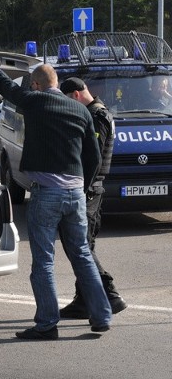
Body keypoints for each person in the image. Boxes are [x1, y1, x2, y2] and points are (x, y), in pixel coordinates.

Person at [0, 41, 111, 340]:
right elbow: (94, 158)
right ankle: (100, 317)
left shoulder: (35, 101)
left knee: (44, 260)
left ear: (36, 85)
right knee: (82, 255)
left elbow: (6, 87)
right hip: (75, 195)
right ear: (57, 83)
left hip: (46, 193)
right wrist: (82, 187)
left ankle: (47, 324)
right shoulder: (80, 110)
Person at [59, 77, 128, 319]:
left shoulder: (96, 115)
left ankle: (110, 294)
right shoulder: (95, 112)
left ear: (76, 95)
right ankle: (84, 299)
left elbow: (94, 158)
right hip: (91, 189)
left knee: (79, 245)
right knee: (82, 243)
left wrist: (81, 189)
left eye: (67, 100)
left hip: (89, 190)